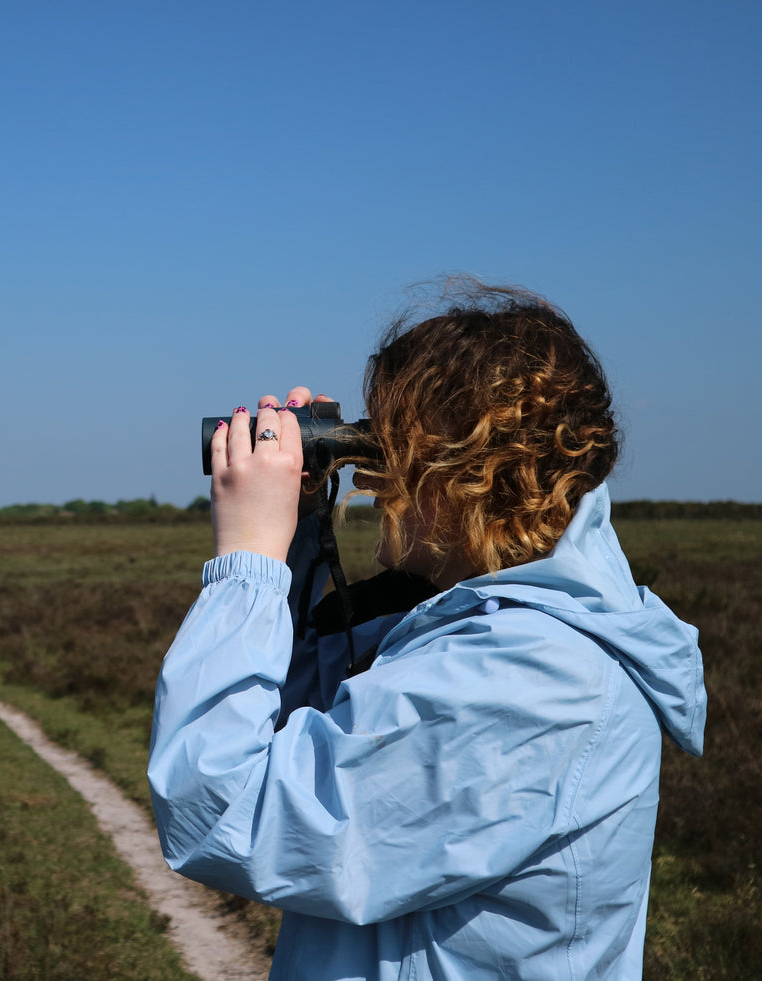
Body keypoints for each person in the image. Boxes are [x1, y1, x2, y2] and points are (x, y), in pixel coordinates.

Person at [147, 282, 707, 980]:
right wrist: (296, 531)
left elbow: (219, 809)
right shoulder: (476, 636)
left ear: (467, 474)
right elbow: (282, 720)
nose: (374, 478)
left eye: (389, 448)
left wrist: (248, 562)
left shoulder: (532, 677)